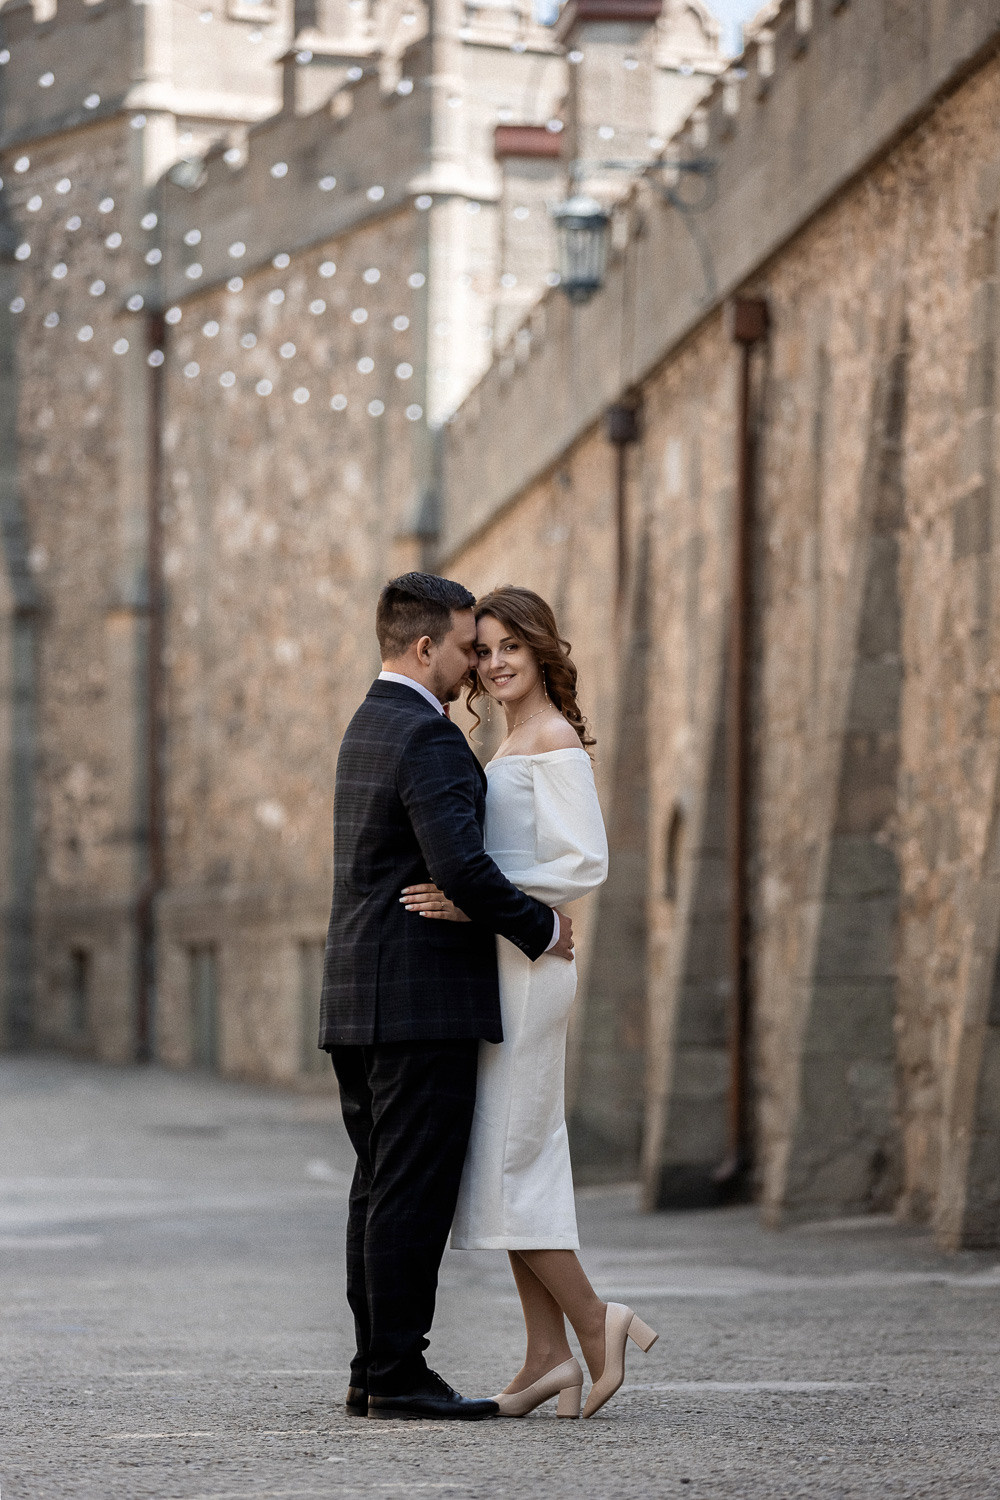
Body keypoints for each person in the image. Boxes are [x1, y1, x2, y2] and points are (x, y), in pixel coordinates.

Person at [319, 572, 576, 1422]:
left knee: (378, 1188)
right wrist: (541, 929)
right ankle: (397, 1374)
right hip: (419, 997)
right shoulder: (424, 737)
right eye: (469, 646)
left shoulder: (369, 720)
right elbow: (460, 865)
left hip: (362, 996)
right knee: (409, 1196)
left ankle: (372, 1371)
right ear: (425, 647)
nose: (476, 666)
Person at [401, 586, 658, 1419]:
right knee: (519, 1155)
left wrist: (483, 900)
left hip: (531, 968)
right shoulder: (505, 740)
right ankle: (547, 1357)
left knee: (513, 1155)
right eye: (482, 649)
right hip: (501, 964)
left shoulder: (552, 742)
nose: (494, 662)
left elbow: (585, 864)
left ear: (543, 650)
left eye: (511, 646)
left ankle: (595, 1320)